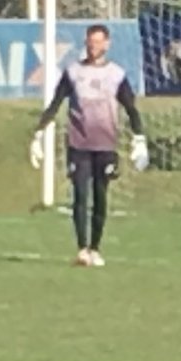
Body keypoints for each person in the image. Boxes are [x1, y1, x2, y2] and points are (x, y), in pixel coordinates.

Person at [33, 22, 148, 266]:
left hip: (106, 145)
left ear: (107, 44)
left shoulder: (116, 74)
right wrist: (39, 133)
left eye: (98, 42)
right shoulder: (74, 72)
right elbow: (55, 103)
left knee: (100, 196)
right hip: (79, 144)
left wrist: (139, 139)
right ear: (85, 43)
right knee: (80, 196)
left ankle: (96, 247)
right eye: (90, 41)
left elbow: (131, 108)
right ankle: (82, 249)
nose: (94, 46)